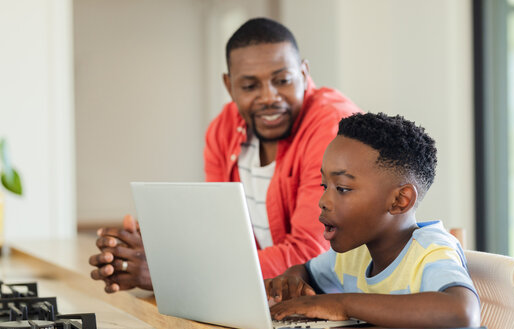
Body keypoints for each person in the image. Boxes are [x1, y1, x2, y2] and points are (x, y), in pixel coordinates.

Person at [88, 17, 362, 293]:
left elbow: (310, 255)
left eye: (282, 80)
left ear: (303, 74)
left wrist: (174, 273)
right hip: (270, 298)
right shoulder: (224, 129)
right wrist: (138, 254)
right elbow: (222, 235)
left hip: (342, 303)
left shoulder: (333, 127)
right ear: (229, 86)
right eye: (250, 86)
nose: (269, 97)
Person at [265, 112, 481, 328]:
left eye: (343, 188)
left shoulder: (430, 251)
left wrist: (342, 304)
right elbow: (306, 272)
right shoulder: (354, 255)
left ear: (399, 200)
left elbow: (462, 312)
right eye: (324, 186)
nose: (323, 201)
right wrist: (291, 280)